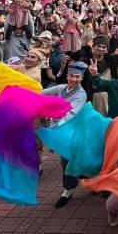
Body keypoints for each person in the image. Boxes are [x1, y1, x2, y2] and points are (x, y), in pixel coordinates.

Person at [42, 61, 89, 208]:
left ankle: (69, 189)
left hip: (73, 131)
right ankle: (75, 183)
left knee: (68, 159)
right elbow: (41, 94)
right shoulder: (61, 88)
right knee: (70, 158)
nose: (74, 79)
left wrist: (54, 120)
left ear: (81, 78)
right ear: (67, 76)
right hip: (61, 131)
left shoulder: (81, 94)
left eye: (77, 77)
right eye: (71, 76)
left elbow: (71, 113)